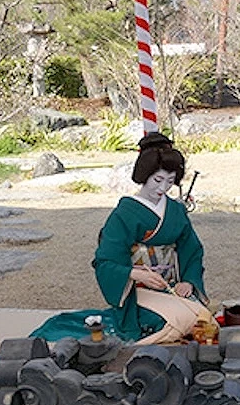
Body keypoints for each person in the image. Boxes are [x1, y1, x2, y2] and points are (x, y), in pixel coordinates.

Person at [93, 133, 209, 344]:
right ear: (144, 175)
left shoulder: (175, 210)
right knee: (173, 322)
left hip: (171, 286)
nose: (163, 188)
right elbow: (105, 262)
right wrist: (135, 274)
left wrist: (188, 281)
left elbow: (192, 250)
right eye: (157, 180)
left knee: (203, 320)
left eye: (170, 181)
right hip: (136, 292)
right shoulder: (124, 214)